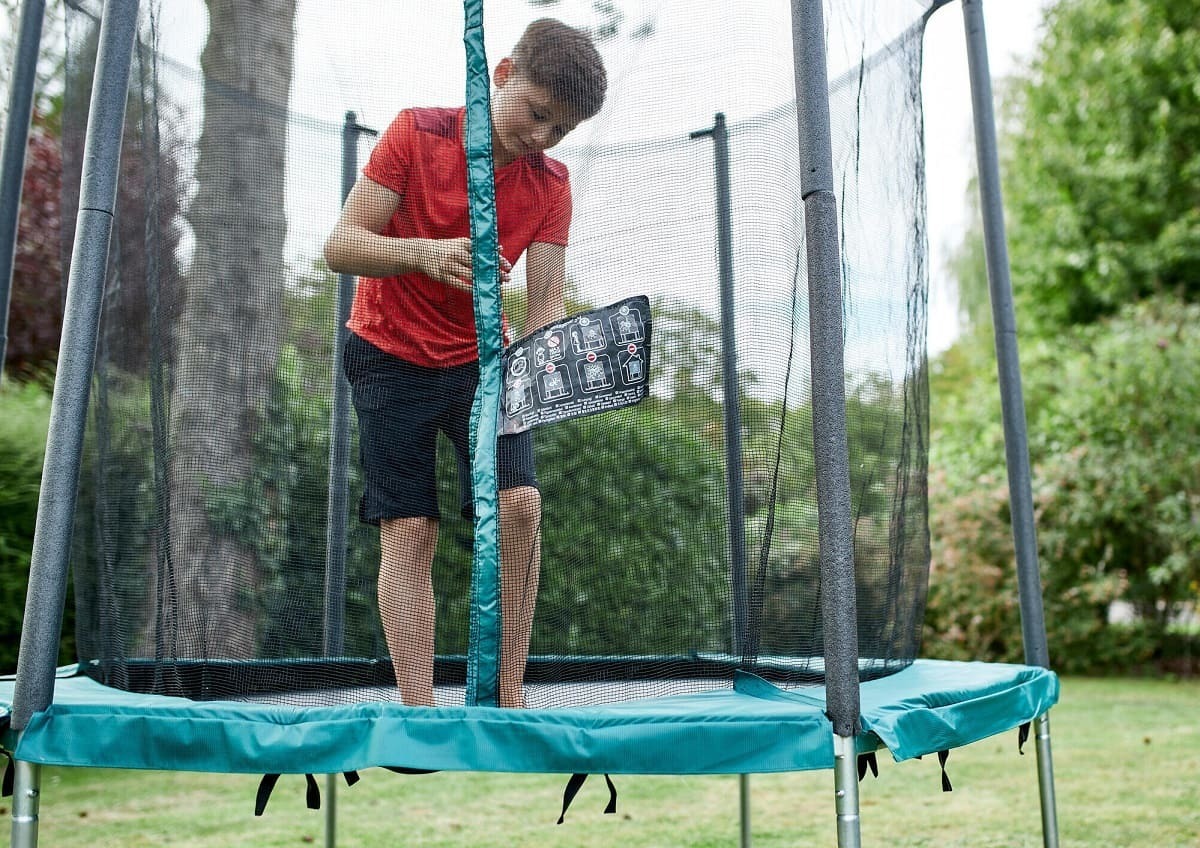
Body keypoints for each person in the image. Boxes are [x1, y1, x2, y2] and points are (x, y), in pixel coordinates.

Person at [323, 19, 607, 708]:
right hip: (388, 354)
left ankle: (509, 696)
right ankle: (420, 711)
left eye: (561, 129)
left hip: (483, 363)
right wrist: (422, 252)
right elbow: (341, 245)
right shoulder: (416, 134)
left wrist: (530, 370)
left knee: (519, 506)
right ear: (501, 74)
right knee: (411, 528)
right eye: (537, 113)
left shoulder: (550, 184)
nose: (543, 136)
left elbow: (545, 300)